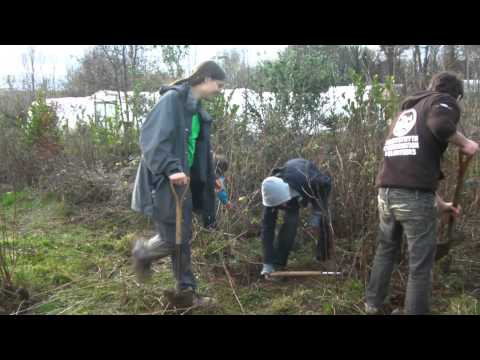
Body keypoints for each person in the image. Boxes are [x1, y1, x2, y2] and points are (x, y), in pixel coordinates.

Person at [365, 71, 479, 315]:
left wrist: (441, 204)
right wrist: (466, 143)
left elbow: (410, 167)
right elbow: (441, 125)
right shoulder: (442, 101)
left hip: (386, 193)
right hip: (412, 197)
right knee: (421, 264)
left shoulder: (407, 112)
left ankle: (372, 305)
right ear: (455, 95)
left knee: (386, 249)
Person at [130, 61, 226, 306]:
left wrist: (212, 177)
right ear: (205, 78)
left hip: (184, 183)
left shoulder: (196, 110)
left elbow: (198, 151)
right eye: (219, 84)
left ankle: (185, 291)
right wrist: (171, 168)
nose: (219, 90)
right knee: (175, 237)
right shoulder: (171, 102)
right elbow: (151, 140)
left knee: (181, 235)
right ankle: (147, 255)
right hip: (164, 182)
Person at [259, 158, 333, 279]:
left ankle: (323, 257)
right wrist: (267, 262)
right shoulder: (270, 190)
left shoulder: (312, 180)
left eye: (281, 205)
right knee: (290, 224)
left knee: (322, 221)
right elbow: (267, 228)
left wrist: (318, 211)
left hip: (311, 187)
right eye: (278, 206)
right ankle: (278, 263)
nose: (282, 208)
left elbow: (327, 183)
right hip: (290, 191)